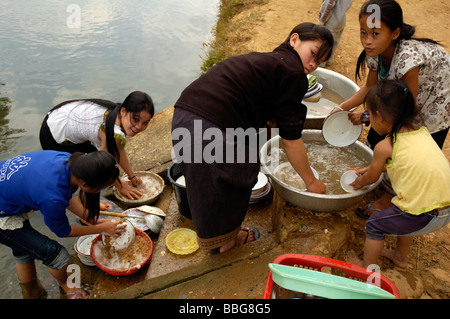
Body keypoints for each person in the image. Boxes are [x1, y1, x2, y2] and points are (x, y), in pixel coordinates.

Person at [171, 22, 333, 253]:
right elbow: (290, 138)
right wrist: (311, 182)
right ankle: (229, 240)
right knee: (241, 169)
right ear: (294, 39)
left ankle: (215, 239)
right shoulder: (293, 72)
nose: (312, 65)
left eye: (319, 62)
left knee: (207, 182)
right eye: (313, 54)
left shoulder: (272, 62)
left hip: (184, 118)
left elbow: (268, 115)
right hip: (207, 126)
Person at [333, 0, 450, 216]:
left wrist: (367, 116)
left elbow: (405, 112)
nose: (367, 41)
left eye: (375, 34)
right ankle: (375, 174)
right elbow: (370, 86)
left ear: (395, 33)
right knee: (383, 133)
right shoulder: (375, 51)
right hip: (404, 97)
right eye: (363, 32)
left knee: (408, 142)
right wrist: (341, 108)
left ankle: (391, 197)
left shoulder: (407, 59)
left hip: (437, 96)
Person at [346, 80, 450, 269]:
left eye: (369, 114)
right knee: (409, 206)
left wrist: (359, 181)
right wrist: (367, 168)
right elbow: (402, 165)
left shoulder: (384, 146)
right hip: (444, 209)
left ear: (379, 117)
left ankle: (365, 268)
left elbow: (371, 178)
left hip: (424, 215)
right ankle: (400, 257)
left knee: (375, 224)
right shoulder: (422, 133)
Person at [0, 150, 125, 299]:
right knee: (56, 255)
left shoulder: (71, 161)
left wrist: (92, 219)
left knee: (24, 250)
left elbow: (63, 193)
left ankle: (31, 292)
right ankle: (65, 284)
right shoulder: (51, 196)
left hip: (7, 195)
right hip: (3, 215)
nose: (99, 191)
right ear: (85, 184)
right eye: (99, 188)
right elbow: (62, 231)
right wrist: (101, 228)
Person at [39, 91, 154, 200]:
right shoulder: (111, 131)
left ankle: (83, 205)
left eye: (145, 122)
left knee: (89, 170)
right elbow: (104, 167)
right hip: (54, 132)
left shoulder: (116, 115)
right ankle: (77, 210)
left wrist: (131, 176)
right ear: (123, 111)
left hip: (60, 115)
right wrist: (120, 186)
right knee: (75, 178)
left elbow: (118, 150)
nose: (139, 127)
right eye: (135, 119)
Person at [318, 0, 353, 65]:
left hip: (331, 20)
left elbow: (327, 5)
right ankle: (329, 59)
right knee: (334, 41)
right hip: (341, 19)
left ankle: (322, 62)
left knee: (326, 42)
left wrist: (322, 20)